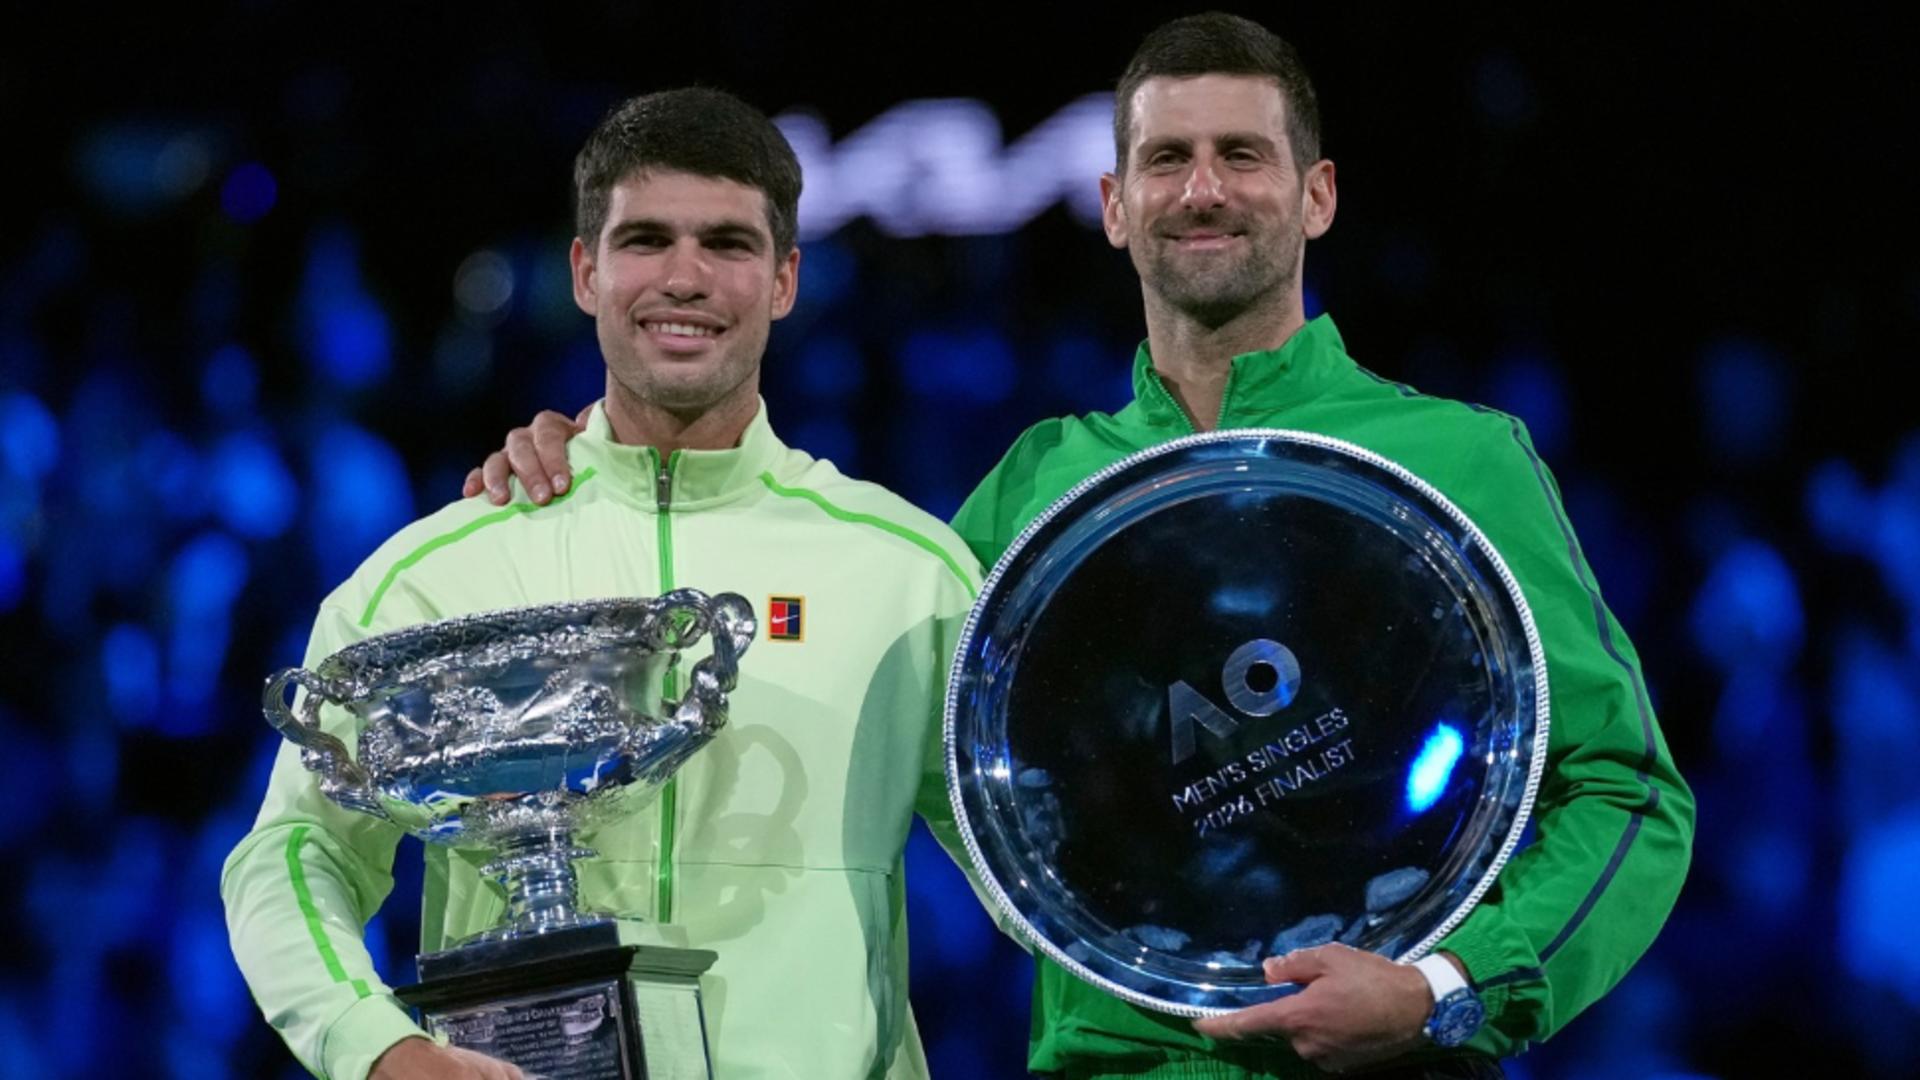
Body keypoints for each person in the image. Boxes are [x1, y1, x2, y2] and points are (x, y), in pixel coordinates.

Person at [466, 14, 1695, 1080]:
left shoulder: (1461, 461)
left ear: (1315, 194)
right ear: (1114, 206)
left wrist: (1444, 990)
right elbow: (816, 685)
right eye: (1166, 159)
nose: (1202, 189)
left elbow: (1629, 798)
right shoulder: (1032, 497)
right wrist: (603, 477)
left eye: (1241, 156)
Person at [222, 87, 981, 1080]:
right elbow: (293, 853)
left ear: (786, 279)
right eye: (646, 240)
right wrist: (379, 1050)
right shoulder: (434, 575)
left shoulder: (908, 571)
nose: (684, 278)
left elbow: (1043, 863)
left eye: (728, 244)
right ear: (586, 270)